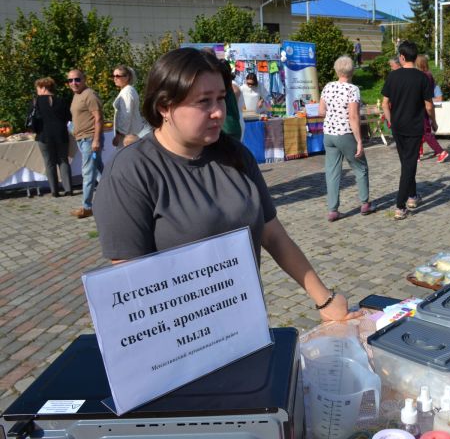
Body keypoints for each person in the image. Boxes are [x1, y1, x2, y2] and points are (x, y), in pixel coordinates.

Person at [93, 47, 358, 322]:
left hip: (247, 325)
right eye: (203, 102)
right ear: (164, 107)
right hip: (181, 341)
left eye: (220, 98)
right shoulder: (130, 172)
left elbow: (273, 235)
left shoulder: (235, 155)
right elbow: (130, 282)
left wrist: (325, 299)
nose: (218, 112)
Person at [381, 40, 434, 220]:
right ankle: (400, 205)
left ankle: (412, 197)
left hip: (398, 126)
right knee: (409, 165)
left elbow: (385, 104)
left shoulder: (393, 76)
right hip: (414, 126)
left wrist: (390, 121)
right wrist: (433, 122)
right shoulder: (422, 78)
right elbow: (428, 106)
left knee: (407, 163)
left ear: (402, 57)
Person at [318, 55, 374, 222]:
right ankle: (365, 203)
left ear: (336, 71)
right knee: (360, 167)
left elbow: (321, 111)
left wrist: (332, 115)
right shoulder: (352, 89)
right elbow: (354, 117)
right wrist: (359, 141)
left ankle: (333, 209)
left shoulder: (327, 87)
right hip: (345, 133)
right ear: (352, 71)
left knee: (332, 172)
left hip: (329, 134)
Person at [67, 69, 103, 219]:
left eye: (77, 79)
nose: (74, 83)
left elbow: (98, 118)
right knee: (99, 172)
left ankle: (87, 207)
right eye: (70, 80)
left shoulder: (89, 95)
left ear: (84, 79)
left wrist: (96, 140)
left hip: (89, 139)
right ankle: (115, 197)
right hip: (82, 139)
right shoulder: (77, 95)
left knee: (88, 173)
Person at [33, 77, 72, 197]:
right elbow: (68, 117)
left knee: (49, 162)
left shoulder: (36, 102)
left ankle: (54, 190)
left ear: (44, 87)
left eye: (38, 88)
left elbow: (32, 119)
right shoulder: (61, 100)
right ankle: (68, 188)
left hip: (44, 135)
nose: (37, 91)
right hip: (61, 134)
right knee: (63, 161)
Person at [415, 54, 449, 163]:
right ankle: (419, 153)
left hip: (422, 106)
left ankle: (441, 152)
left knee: (425, 132)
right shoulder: (429, 75)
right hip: (427, 103)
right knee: (422, 131)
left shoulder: (421, 76)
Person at [112, 65, 151, 148]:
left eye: (118, 76)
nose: (115, 78)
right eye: (114, 76)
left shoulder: (127, 92)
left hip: (128, 135)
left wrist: (119, 134)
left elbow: (126, 114)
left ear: (127, 77)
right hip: (130, 133)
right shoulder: (127, 90)